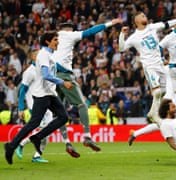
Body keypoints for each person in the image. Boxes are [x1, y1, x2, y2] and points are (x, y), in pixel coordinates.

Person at [52, 18, 123, 157]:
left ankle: (67, 142)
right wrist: (110, 23)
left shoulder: (52, 39)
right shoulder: (69, 35)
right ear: (69, 29)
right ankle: (87, 137)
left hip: (51, 76)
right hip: (64, 75)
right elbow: (91, 31)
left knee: (59, 110)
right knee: (82, 105)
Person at [119, 12, 176, 145]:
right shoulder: (134, 37)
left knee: (163, 92)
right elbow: (121, 47)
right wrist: (122, 34)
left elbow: (167, 24)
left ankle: (153, 113)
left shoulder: (152, 27)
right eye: (142, 15)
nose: (145, 16)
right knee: (157, 92)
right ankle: (154, 115)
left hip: (160, 64)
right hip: (150, 66)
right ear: (136, 21)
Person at [4, 31, 73, 165]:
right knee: (34, 123)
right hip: (42, 94)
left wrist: (67, 72)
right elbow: (46, 75)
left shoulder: (49, 55)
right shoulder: (43, 55)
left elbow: (55, 67)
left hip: (50, 93)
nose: (57, 42)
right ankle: (11, 146)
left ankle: (37, 137)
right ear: (48, 41)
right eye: (55, 40)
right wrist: (62, 82)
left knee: (63, 117)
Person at [15, 49, 53, 163]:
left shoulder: (43, 69)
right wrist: (21, 108)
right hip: (34, 104)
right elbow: (22, 90)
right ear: (32, 57)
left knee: (47, 130)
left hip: (46, 103)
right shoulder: (29, 72)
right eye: (38, 55)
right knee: (44, 128)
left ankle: (37, 155)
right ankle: (21, 144)